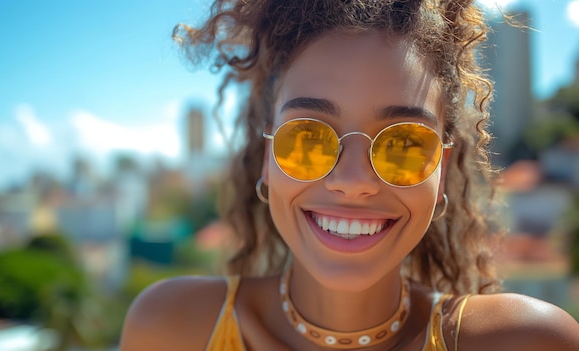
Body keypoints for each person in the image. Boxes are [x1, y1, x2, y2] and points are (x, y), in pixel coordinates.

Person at [120, 0, 579, 350]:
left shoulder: (528, 341)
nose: (353, 180)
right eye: (307, 137)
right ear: (267, 158)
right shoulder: (172, 327)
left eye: (404, 143)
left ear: (441, 173)